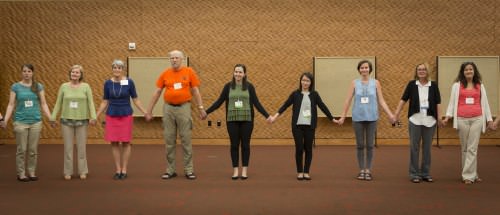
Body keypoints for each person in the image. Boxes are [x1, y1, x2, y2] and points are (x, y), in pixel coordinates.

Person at [204, 64, 271, 180]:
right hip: (232, 120)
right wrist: (206, 112)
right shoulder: (228, 87)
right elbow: (219, 102)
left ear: (244, 74)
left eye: (240, 72)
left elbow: (257, 103)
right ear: (233, 73)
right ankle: (235, 170)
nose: (237, 74)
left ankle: (244, 170)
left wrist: (267, 116)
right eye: (236, 72)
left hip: (247, 120)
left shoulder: (250, 87)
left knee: (245, 145)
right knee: (234, 145)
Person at [146, 50, 206, 180]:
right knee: (169, 141)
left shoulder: (189, 72)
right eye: (172, 58)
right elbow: (157, 92)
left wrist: (201, 108)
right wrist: (149, 110)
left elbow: (195, 90)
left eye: (176, 58)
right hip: (168, 109)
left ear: (182, 59)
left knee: (186, 140)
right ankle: (170, 170)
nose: (174, 60)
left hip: (184, 108)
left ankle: (189, 170)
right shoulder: (165, 74)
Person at [270, 72, 337, 180]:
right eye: (303, 80)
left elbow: (322, 106)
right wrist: (275, 116)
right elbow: (285, 105)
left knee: (308, 149)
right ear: (300, 81)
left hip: (310, 126)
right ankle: (299, 171)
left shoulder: (314, 94)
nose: (305, 82)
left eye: (307, 81)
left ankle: (306, 171)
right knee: (299, 148)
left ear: (311, 83)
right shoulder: (295, 94)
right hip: (297, 126)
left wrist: (332, 118)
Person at [337, 60, 395, 181]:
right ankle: (361, 170)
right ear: (359, 70)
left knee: (369, 145)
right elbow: (347, 100)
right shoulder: (354, 83)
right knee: (360, 145)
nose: (364, 69)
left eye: (366, 67)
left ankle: (368, 170)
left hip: (372, 118)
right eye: (362, 68)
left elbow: (382, 101)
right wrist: (342, 116)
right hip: (358, 118)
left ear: (370, 69)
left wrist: (390, 114)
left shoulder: (376, 83)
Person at [96, 59, 148, 180]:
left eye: (119, 68)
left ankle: (124, 169)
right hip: (112, 115)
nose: (117, 70)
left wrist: (145, 112)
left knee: (126, 142)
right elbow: (105, 101)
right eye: (114, 67)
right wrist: (96, 115)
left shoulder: (129, 82)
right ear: (112, 69)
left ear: (122, 69)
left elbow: (135, 99)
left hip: (125, 114)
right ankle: (117, 169)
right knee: (114, 142)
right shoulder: (107, 83)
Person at [442, 62, 493, 185]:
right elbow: (452, 102)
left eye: (471, 69)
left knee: (472, 148)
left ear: (474, 71)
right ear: (462, 72)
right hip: (461, 119)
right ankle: (472, 174)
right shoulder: (456, 86)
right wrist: (447, 117)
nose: (468, 71)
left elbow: (485, 103)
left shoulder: (480, 85)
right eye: (466, 70)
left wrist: (489, 119)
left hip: (477, 118)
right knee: (465, 148)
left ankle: (468, 176)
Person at [1, 64, 51, 182]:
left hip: (35, 121)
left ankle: (32, 172)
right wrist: (5, 120)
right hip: (20, 122)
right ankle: (21, 173)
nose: (26, 73)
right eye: (24, 71)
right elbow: (11, 104)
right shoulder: (15, 87)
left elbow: (43, 103)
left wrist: (50, 117)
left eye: (29, 71)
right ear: (21, 73)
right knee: (22, 149)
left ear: (32, 73)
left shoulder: (38, 86)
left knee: (33, 149)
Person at [393, 63, 442, 183]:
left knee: (427, 148)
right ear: (416, 72)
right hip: (415, 120)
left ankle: (425, 173)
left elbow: (438, 103)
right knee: (414, 147)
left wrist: (440, 118)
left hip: (430, 121)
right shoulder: (412, 85)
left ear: (427, 71)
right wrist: (396, 114)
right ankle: (414, 173)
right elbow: (403, 100)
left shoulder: (433, 85)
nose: (421, 71)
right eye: (419, 69)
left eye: (424, 69)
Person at [50, 65, 97, 180]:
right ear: (70, 73)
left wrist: (93, 116)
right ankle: (68, 171)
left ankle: (83, 171)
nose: (74, 74)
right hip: (66, 121)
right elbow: (58, 103)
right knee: (68, 148)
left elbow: (91, 103)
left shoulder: (86, 86)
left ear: (81, 75)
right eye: (72, 72)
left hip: (82, 121)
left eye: (77, 72)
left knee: (81, 148)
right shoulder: (64, 87)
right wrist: (52, 117)